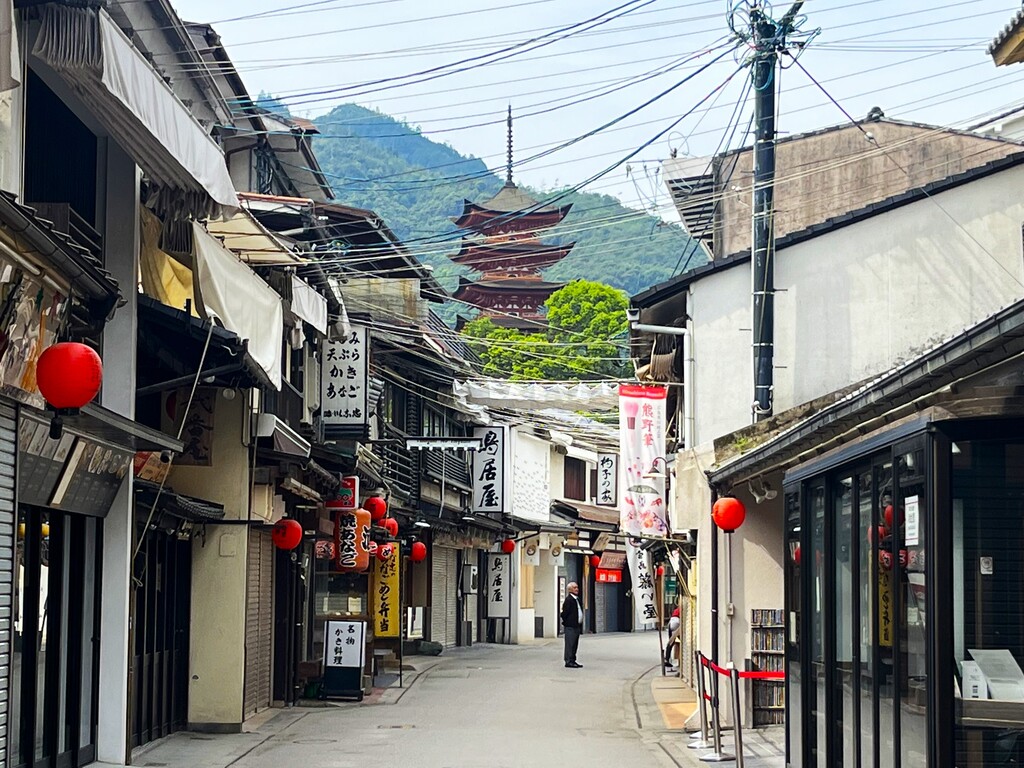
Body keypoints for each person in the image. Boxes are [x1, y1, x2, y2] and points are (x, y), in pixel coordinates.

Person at [560, 582, 584, 668]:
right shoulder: (569, 600)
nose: (577, 589)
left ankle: (573, 660)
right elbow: (564, 613)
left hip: (576, 626)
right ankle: (568, 661)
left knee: (574, 644)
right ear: (570, 589)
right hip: (570, 626)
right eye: (574, 588)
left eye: (577, 587)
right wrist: (567, 621)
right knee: (570, 644)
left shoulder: (577, 599)